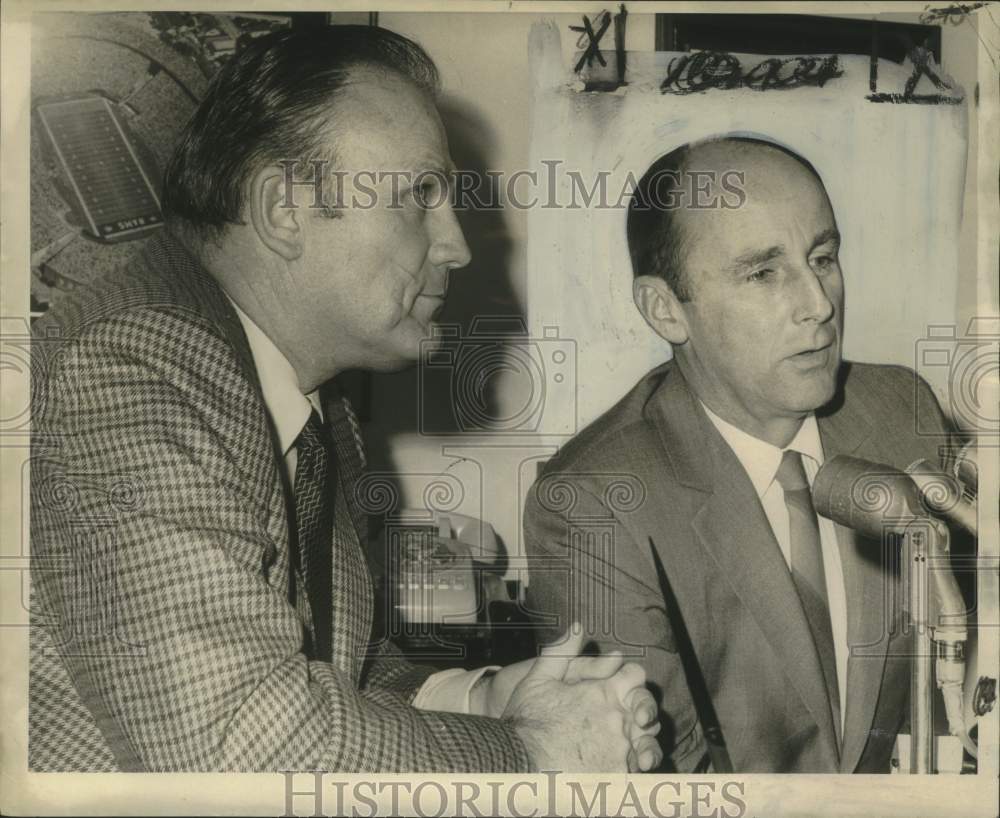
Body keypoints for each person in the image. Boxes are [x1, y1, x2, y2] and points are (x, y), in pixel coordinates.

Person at [28, 25, 661, 773]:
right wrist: (533, 750)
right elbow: (240, 744)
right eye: (420, 194)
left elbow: (351, 675)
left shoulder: (309, 405)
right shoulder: (131, 366)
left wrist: (492, 697)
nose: (456, 245)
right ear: (283, 209)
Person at [523, 136, 956, 773]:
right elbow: (653, 783)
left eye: (823, 257)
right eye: (763, 272)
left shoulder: (901, 414)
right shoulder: (593, 502)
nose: (820, 304)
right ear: (667, 311)